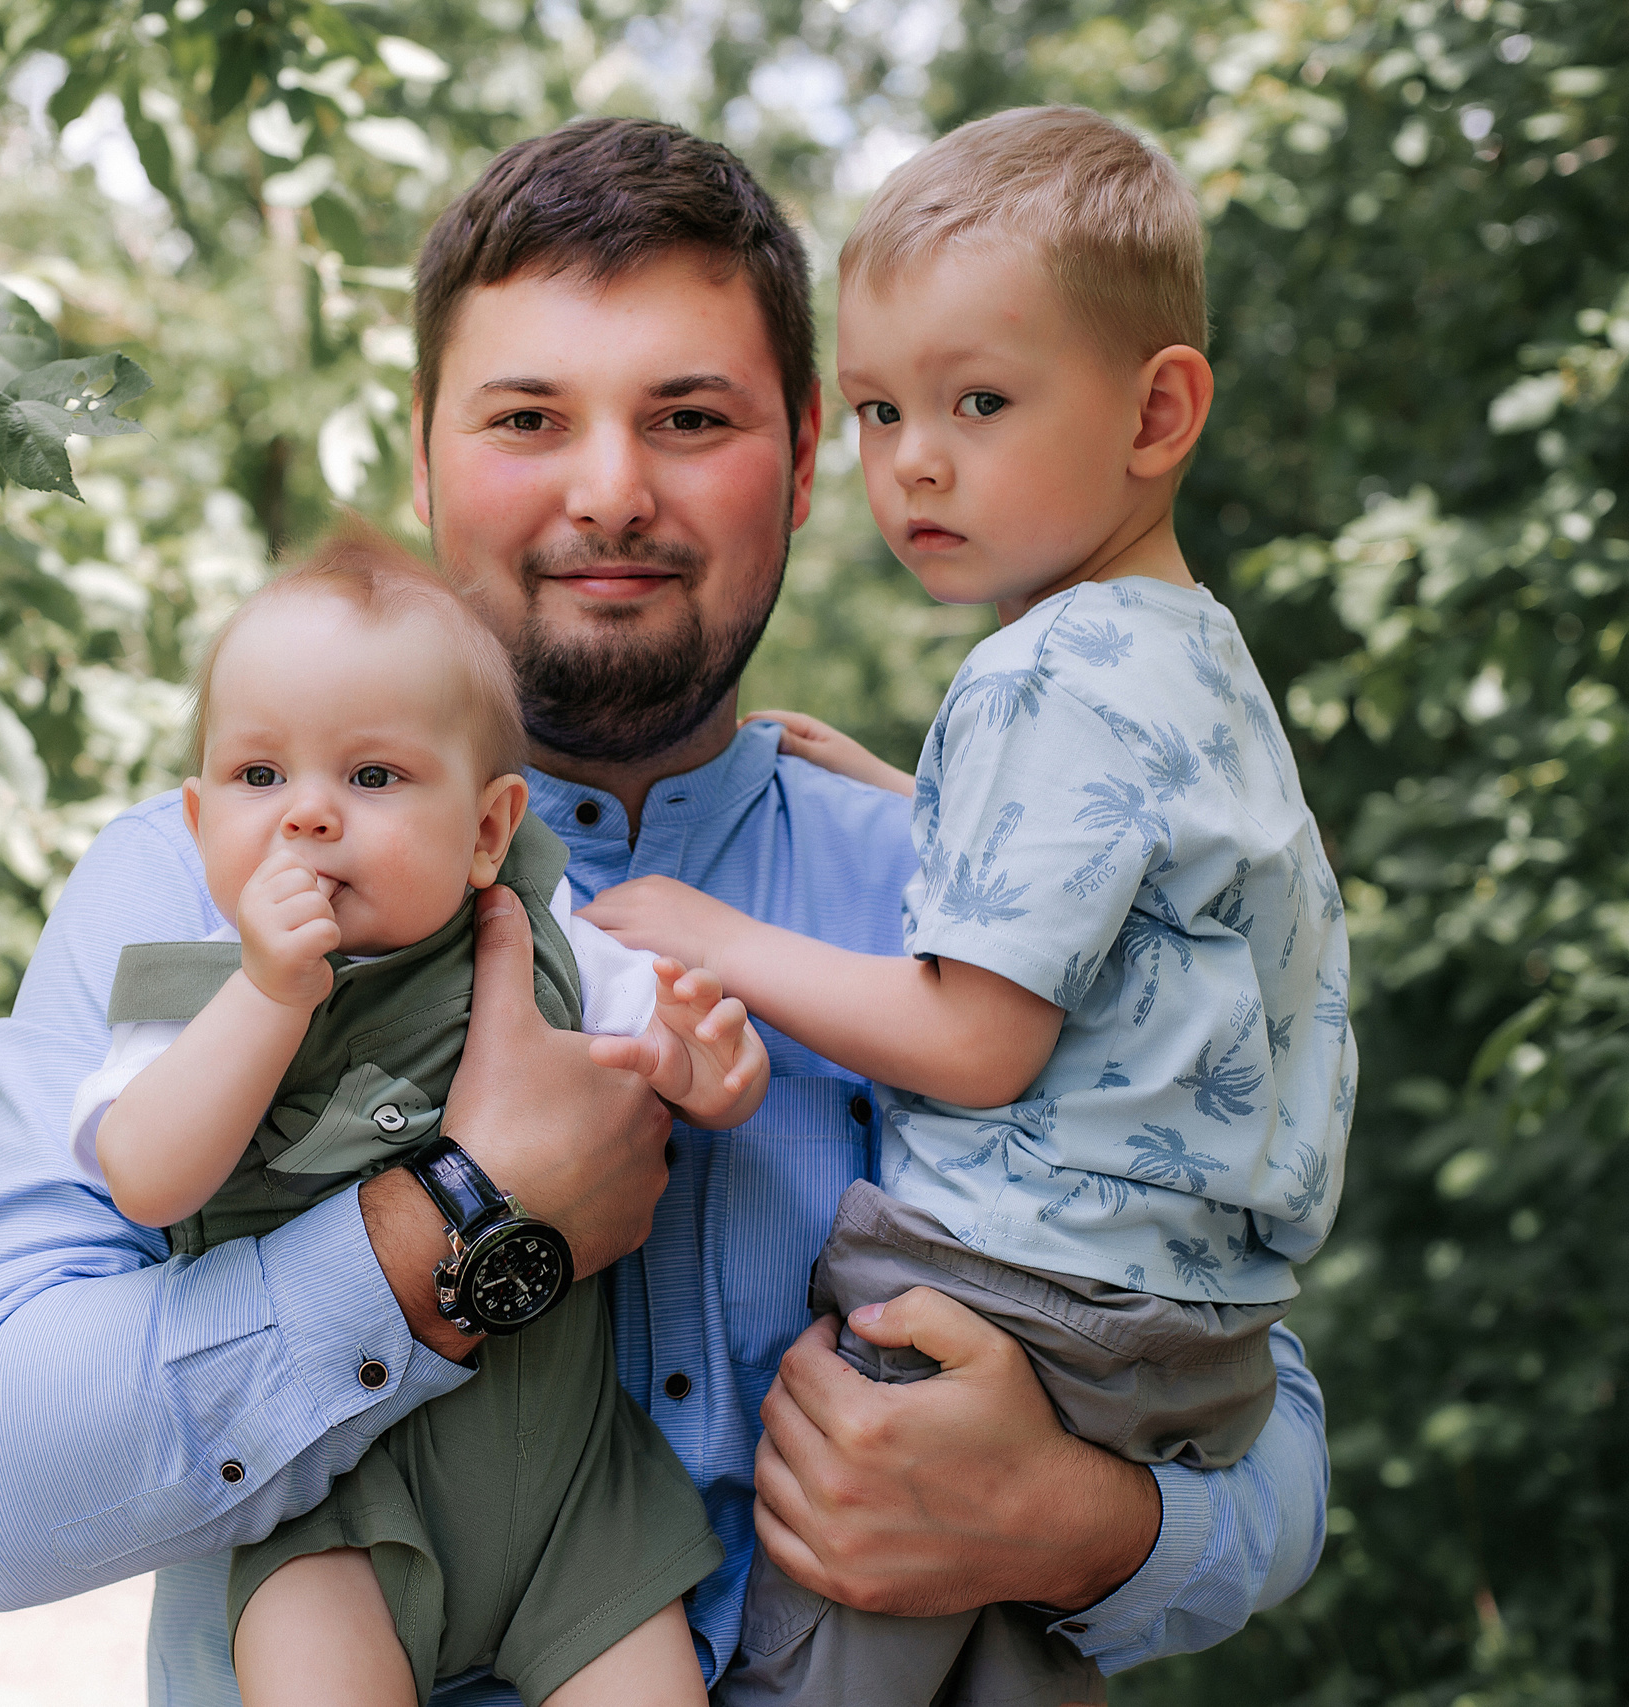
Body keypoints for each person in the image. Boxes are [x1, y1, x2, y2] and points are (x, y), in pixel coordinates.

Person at [0, 117, 1333, 1707]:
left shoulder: (948, 883)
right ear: (426, 452)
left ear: (804, 458)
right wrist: (458, 1223)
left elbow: (1258, 1413)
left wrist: (1079, 1521)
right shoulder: (198, 884)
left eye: (688, 417)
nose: (609, 489)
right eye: (528, 417)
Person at [578, 106, 1357, 1705]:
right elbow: (1113, 898)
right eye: (877, 408)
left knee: (838, 1609)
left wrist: (718, 936)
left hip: (1024, 1282)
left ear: (1159, 412)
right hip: (1184, 1315)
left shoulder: (1034, 673)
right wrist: (914, 802)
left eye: (980, 400)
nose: (913, 458)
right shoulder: (1182, 649)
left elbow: (980, 1040)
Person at [77, 525, 767, 1706]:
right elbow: (145, 1176)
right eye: (259, 777)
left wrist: (708, 1068)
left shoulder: (551, 947)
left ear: (490, 829)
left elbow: (663, 1054)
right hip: (331, 1506)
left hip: (570, 1503)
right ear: (197, 829)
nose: (307, 816)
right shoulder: (194, 994)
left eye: (372, 776)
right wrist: (265, 998)